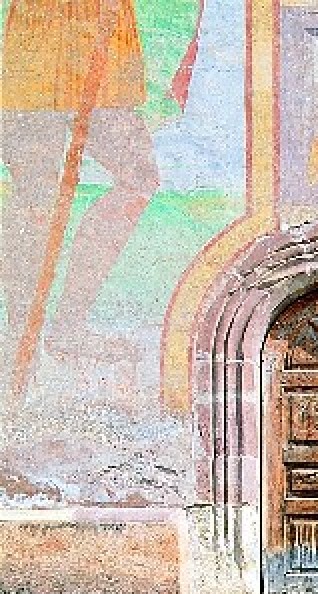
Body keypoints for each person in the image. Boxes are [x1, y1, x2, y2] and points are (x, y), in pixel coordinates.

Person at [0, 0, 198, 368]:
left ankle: (67, 325)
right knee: (34, 195)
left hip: (104, 45)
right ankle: (19, 335)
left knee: (138, 179)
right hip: (39, 39)